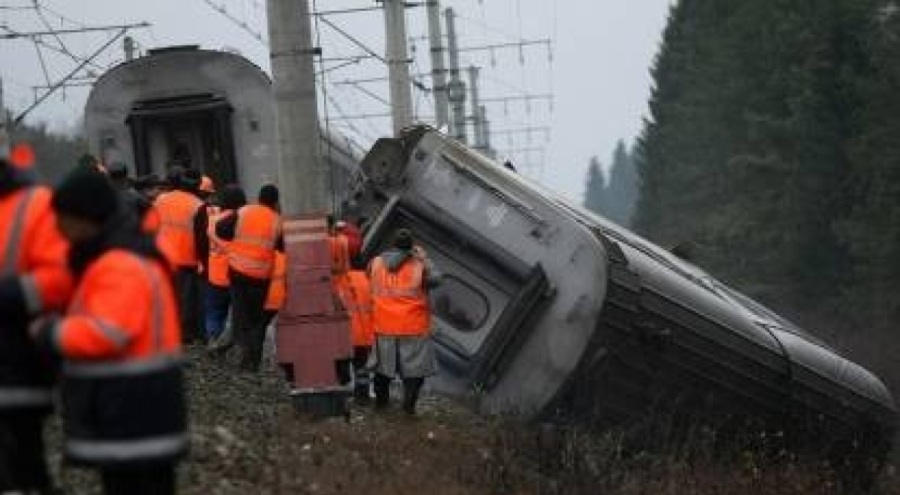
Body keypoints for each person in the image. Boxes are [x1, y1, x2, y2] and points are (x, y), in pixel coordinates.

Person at [30, 167, 187, 495]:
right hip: (140, 409)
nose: (58, 228)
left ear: (85, 217)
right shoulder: (126, 253)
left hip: (132, 410)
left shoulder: (119, 263)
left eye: (63, 218)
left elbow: (108, 333)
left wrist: (50, 333)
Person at [0, 133, 73, 494]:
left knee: (21, 462)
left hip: (18, 362)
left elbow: (60, 278)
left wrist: (8, 294)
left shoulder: (37, 204)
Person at [368, 229, 441, 415]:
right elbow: (437, 279)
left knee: (382, 370)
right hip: (412, 327)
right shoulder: (419, 266)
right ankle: (408, 409)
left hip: (384, 325)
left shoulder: (375, 263)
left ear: (392, 244)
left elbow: (369, 277)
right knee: (414, 373)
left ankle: (381, 405)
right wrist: (424, 258)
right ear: (411, 247)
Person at [216, 184, 282, 371]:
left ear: (259, 197)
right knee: (257, 320)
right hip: (260, 278)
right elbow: (283, 247)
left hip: (237, 273)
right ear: (275, 202)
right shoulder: (277, 221)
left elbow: (221, 229)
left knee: (240, 314)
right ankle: (252, 361)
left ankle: (241, 352)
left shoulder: (244, 211)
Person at [154, 167, 208, 343]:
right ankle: (185, 335)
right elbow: (202, 240)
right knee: (186, 300)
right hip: (185, 259)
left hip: (162, 256)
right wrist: (204, 263)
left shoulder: (160, 200)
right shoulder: (197, 205)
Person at [205, 185, 246, 342]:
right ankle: (237, 343)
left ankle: (213, 339)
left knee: (214, 312)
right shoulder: (240, 220)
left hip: (215, 274)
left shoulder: (212, 219)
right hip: (235, 273)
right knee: (239, 313)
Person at [338, 264, 374, 403]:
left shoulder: (339, 280)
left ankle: (341, 393)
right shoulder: (369, 280)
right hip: (365, 334)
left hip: (343, 334)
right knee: (362, 367)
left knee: (341, 365)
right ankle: (362, 396)